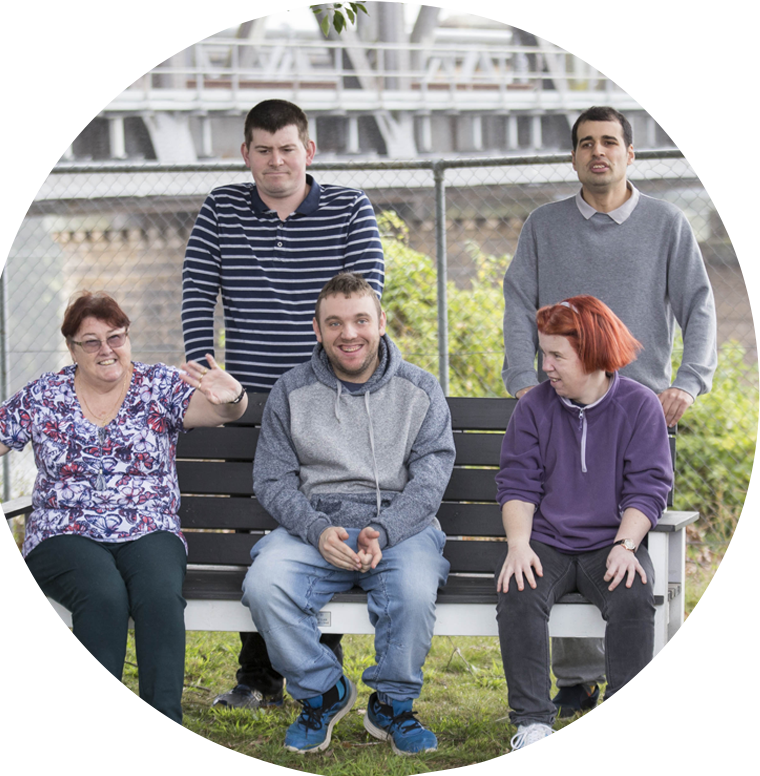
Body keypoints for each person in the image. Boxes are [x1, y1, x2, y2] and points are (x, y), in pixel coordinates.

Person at [501, 105, 717, 717]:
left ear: (629, 153)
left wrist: (689, 383)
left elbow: (699, 308)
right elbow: (520, 302)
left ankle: (628, 690)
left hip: (640, 411)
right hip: (559, 405)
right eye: (586, 143)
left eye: (610, 142)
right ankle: (575, 680)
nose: (598, 152)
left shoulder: (666, 224)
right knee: (561, 528)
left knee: (620, 545)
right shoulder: (544, 226)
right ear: (573, 156)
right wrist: (525, 379)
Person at [0, 291, 248, 769]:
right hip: (63, 531)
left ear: (127, 338)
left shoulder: (158, 385)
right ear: (72, 349)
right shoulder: (45, 394)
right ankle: (99, 730)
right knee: (103, 594)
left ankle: (160, 729)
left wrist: (234, 399)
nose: (106, 349)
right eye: (91, 342)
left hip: (149, 526)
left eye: (115, 337)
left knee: (158, 592)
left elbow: (216, 412)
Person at [181, 98, 385, 711]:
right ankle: (259, 676)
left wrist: (339, 374)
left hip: (326, 394)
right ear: (246, 154)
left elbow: (366, 295)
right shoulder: (221, 207)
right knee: (255, 527)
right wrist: (209, 377)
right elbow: (197, 290)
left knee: (323, 514)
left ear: (309, 151)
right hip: (246, 399)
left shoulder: (350, 208)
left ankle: (323, 669)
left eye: (287, 148)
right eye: (263, 150)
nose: (276, 161)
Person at [242, 272, 454, 755]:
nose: (349, 333)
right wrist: (316, 530)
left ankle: (393, 706)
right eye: (334, 323)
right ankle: (323, 692)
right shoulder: (291, 391)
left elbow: (432, 476)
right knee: (264, 585)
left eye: (361, 319)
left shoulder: (419, 389)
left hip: (400, 528)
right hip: (314, 529)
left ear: (381, 322)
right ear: (317, 330)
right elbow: (272, 479)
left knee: (415, 591)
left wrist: (384, 528)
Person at [496, 295, 673, 768]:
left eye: (557, 356)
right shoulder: (533, 407)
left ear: (592, 353)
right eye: (543, 354)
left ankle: (624, 722)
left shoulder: (639, 406)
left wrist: (626, 545)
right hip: (547, 543)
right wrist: (518, 545)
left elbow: (649, 486)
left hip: (609, 543)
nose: (545, 366)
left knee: (634, 591)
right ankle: (532, 725)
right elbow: (517, 483)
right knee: (518, 589)